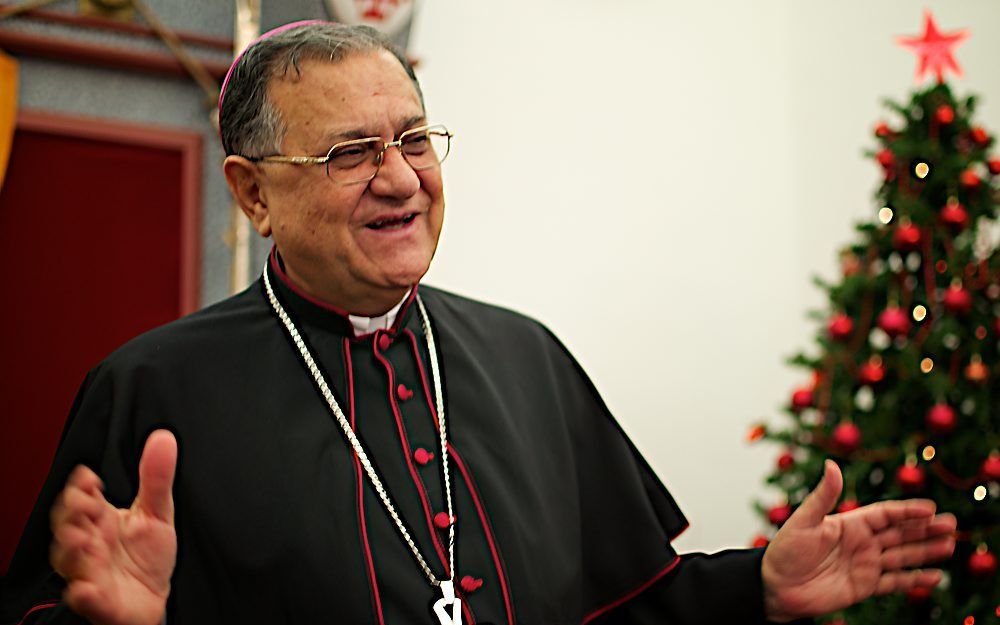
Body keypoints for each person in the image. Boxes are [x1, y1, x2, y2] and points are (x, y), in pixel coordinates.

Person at [1, 21, 956, 625]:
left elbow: (626, 599)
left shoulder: (524, 354)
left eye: (415, 139)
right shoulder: (153, 389)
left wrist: (759, 588)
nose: (402, 176)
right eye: (351, 151)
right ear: (253, 193)